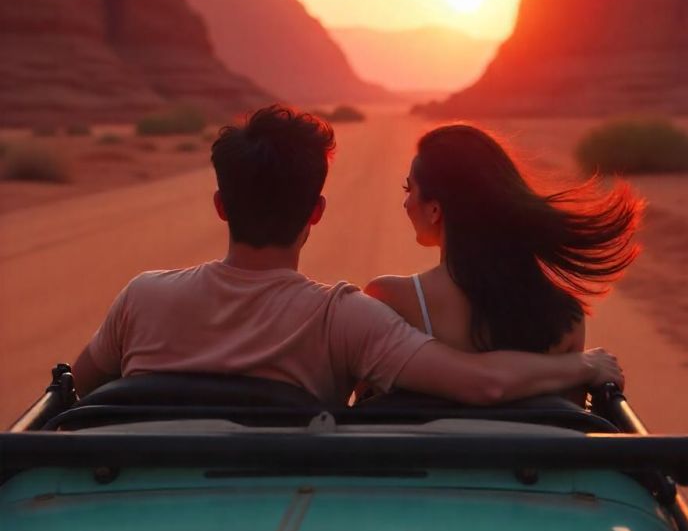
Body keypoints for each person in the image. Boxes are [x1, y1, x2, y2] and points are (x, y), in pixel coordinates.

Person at [72, 105, 623, 404]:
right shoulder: (343, 319)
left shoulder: (139, 299)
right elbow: (480, 382)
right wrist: (583, 364)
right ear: (316, 211)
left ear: (221, 205)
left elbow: (76, 389)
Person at [365, 124, 641, 373]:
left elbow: (370, 407)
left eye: (408, 189)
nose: (406, 204)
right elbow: (567, 420)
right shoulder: (566, 316)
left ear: (435, 208)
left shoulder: (391, 298)